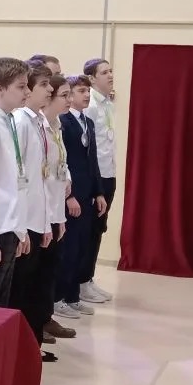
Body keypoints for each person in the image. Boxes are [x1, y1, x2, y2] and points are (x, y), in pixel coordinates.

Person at [0, 57, 54, 363]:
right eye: (21, 87)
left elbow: (15, 182)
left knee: (1, 303)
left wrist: (20, 230)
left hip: (10, 226)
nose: (27, 92)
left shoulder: (8, 121)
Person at [14, 62, 62, 359]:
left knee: (35, 287)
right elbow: (19, 177)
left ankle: (33, 345)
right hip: (24, 217)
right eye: (44, 85)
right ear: (28, 90)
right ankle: (23, 348)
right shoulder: (21, 122)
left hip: (38, 215)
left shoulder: (40, 122)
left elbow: (45, 176)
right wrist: (23, 227)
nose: (49, 90)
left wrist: (48, 222)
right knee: (22, 289)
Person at [55, 75, 107, 322]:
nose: (86, 95)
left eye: (88, 91)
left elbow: (92, 160)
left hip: (87, 193)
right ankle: (59, 297)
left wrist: (98, 191)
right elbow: (63, 162)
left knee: (81, 248)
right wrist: (70, 196)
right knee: (68, 248)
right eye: (81, 91)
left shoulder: (88, 122)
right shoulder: (62, 122)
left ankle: (73, 296)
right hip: (71, 195)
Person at [41, 74, 76, 340]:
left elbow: (60, 161)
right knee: (40, 271)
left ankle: (46, 316)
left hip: (55, 205)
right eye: (64, 95)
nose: (69, 100)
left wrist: (68, 179)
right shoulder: (39, 125)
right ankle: (37, 321)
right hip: (42, 207)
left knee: (51, 267)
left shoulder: (57, 125)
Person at [82, 57, 117, 305]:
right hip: (97, 176)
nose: (110, 75)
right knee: (89, 230)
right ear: (92, 78)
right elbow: (89, 147)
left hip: (108, 172)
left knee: (98, 229)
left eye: (111, 71)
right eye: (104, 72)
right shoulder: (91, 105)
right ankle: (82, 281)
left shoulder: (107, 104)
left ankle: (89, 278)